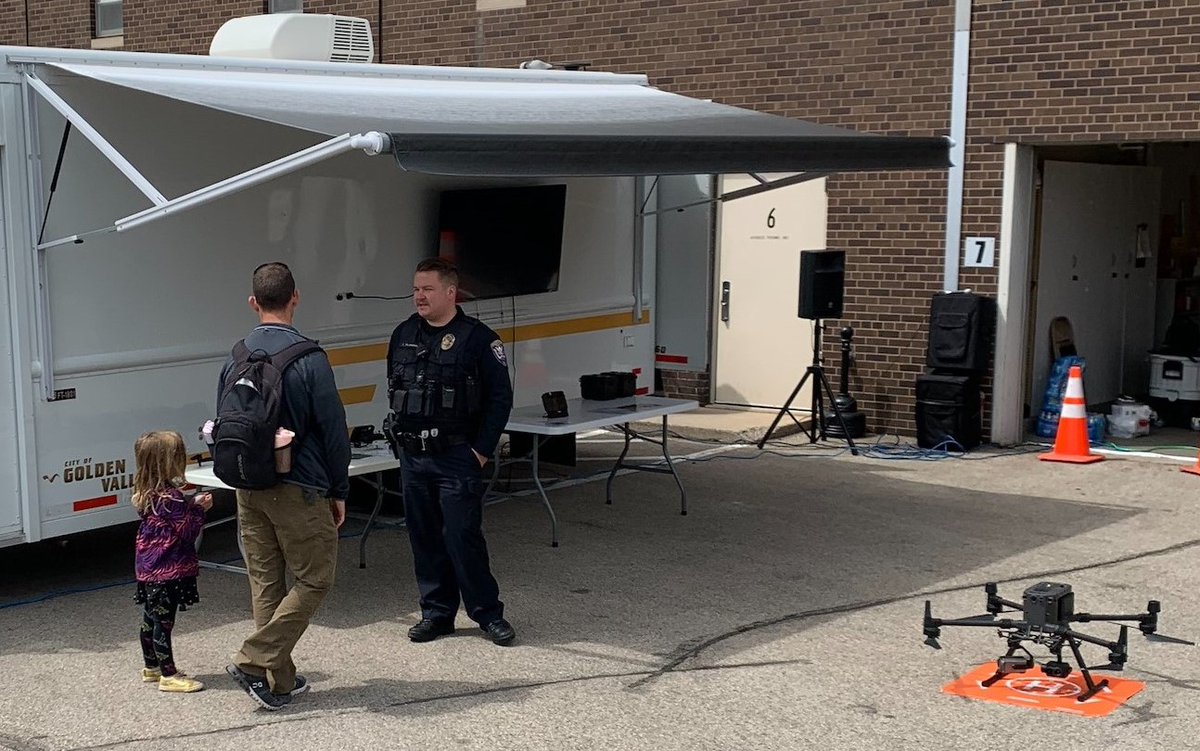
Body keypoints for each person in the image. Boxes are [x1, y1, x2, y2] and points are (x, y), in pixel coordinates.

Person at [221, 261, 350, 711]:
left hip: (247, 484)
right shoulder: (310, 359)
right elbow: (334, 430)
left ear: (253, 303)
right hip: (300, 486)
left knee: (265, 582)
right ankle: (254, 661)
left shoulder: (235, 356)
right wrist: (339, 490)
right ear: (296, 297)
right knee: (315, 579)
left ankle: (279, 684)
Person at [384, 257, 516, 646]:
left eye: (427, 289)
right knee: (424, 539)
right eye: (415, 289)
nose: (419, 296)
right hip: (414, 457)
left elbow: (499, 400)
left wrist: (481, 451)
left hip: (457, 456)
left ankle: (487, 614)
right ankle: (437, 613)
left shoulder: (478, 339)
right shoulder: (403, 333)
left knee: (462, 537)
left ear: (450, 292)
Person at [131, 429, 212, 694]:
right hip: (169, 569)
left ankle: (151, 666)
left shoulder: (146, 493)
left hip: (148, 568)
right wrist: (199, 508)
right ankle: (169, 674)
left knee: (150, 619)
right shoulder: (171, 498)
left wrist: (188, 504)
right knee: (164, 623)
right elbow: (187, 532)